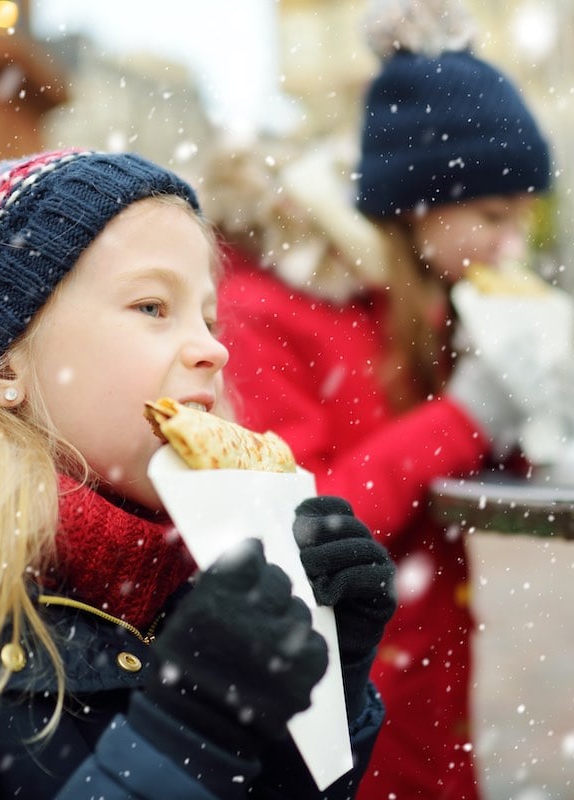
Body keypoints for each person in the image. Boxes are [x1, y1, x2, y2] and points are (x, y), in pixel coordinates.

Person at [0, 148, 396, 799]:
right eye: (153, 307)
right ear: (2, 365)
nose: (214, 348)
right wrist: (187, 732)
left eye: (210, 320)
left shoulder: (177, 584)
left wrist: (331, 682)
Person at [211, 0, 554, 797]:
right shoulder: (268, 314)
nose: (513, 245)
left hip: (430, 682)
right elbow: (307, 522)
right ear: (418, 204)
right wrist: (467, 413)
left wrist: (532, 412)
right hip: (342, 704)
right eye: (495, 216)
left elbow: (464, 473)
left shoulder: (422, 300)